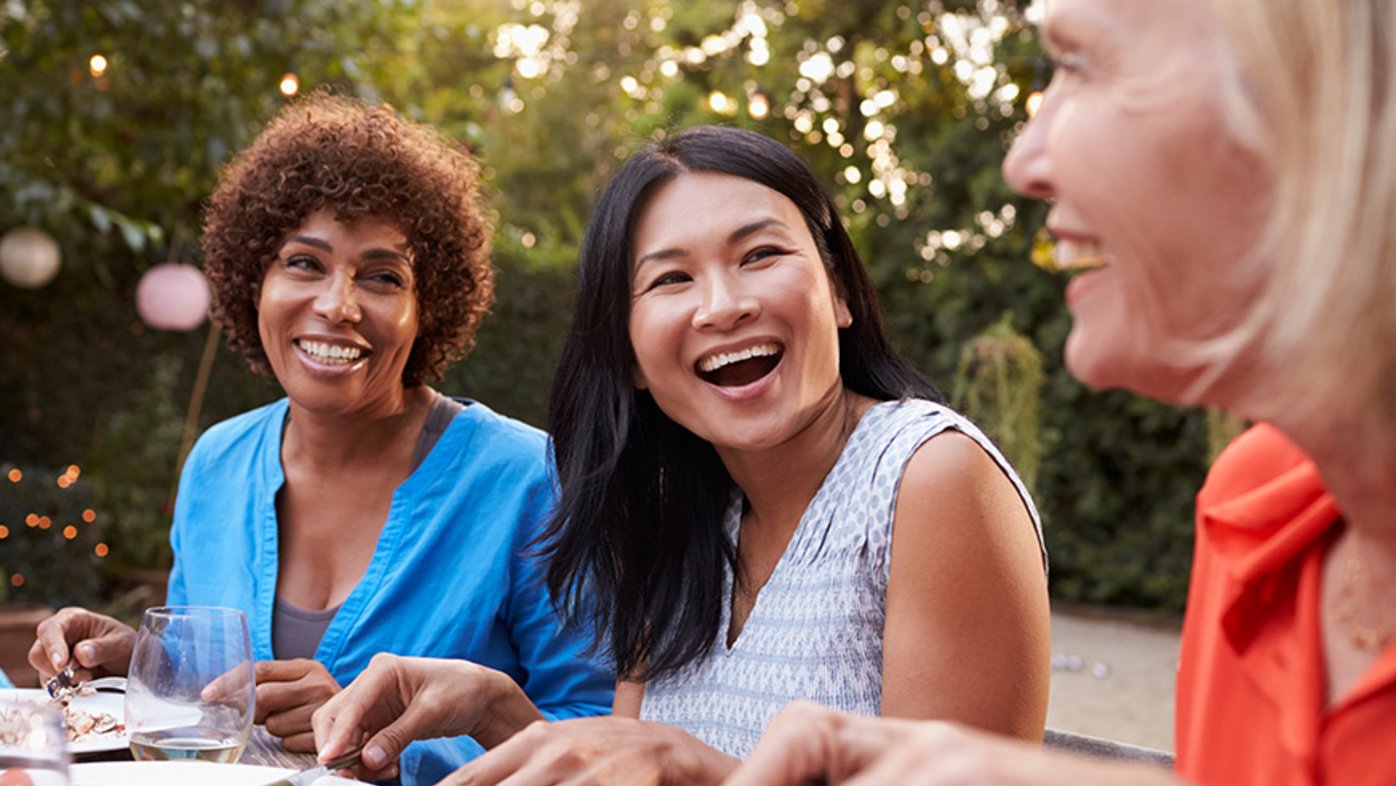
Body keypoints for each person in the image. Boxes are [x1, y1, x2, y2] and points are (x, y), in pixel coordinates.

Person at [721, 0, 1396, 784]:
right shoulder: (1258, 513)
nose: (1025, 160)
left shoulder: (922, 471)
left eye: (1078, 64)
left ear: (1328, 91)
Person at [313, 125, 1051, 784]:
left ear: (838, 292)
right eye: (671, 278)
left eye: (759, 254)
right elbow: (631, 771)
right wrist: (496, 708)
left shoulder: (930, 478)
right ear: (629, 354)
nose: (723, 306)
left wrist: (695, 769)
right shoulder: (675, 517)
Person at [27, 92, 612, 785]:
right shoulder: (217, 463)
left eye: (383, 276)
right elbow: (214, 705)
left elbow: (594, 733)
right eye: (304, 263)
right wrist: (144, 665)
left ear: (430, 309)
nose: (338, 305)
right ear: (255, 281)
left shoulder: (527, 480)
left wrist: (386, 749)